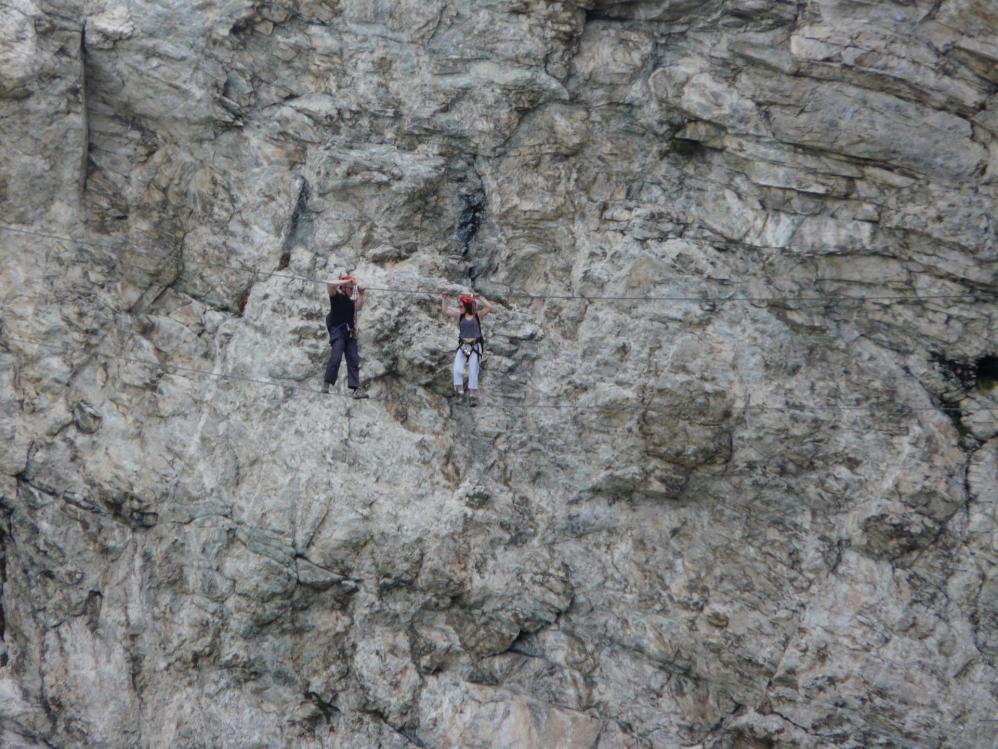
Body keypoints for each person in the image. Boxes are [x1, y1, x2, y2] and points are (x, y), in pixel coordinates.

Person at [440, 291, 492, 406]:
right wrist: (444, 298)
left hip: (475, 345)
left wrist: (480, 298)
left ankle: (472, 395)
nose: (459, 307)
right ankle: (460, 391)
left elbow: (489, 307)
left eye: (461, 305)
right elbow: (445, 311)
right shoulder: (460, 315)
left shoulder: (477, 316)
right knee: (457, 369)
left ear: (467, 306)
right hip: (463, 346)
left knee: (473, 370)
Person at [322, 274, 369, 398]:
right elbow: (330, 285)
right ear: (343, 288)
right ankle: (327, 383)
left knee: (353, 360)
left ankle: (356, 389)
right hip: (338, 332)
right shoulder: (336, 297)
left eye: (352, 288)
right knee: (336, 357)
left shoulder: (350, 303)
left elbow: (358, 306)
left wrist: (361, 293)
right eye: (349, 288)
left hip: (349, 334)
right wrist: (347, 281)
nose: (351, 290)